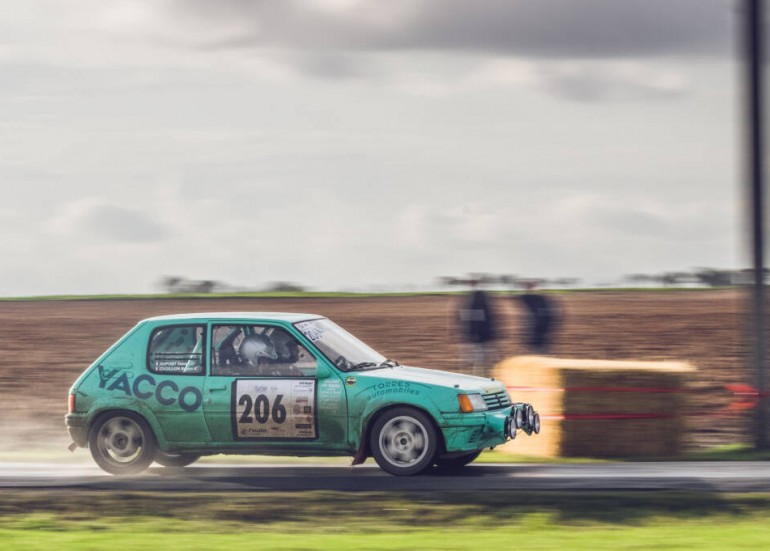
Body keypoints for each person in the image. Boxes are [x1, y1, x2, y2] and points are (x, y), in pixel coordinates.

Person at [457, 279, 498, 377]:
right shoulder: (481, 298)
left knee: (477, 360)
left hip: (477, 336)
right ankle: (481, 377)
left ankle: (477, 377)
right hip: (480, 336)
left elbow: (466, 318)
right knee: (481, 360)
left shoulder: (471, 299)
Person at [516, 281, 559, 354]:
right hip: (541, 330)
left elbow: (522, 297)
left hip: (537, 330)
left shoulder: (532, 299)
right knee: (542, 348)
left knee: (538, 350)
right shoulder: (543, 300)